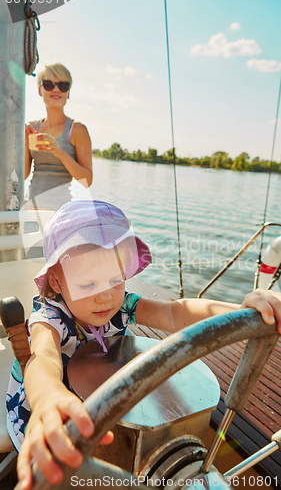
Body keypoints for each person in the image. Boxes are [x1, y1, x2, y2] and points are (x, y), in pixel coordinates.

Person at [6, 200, 281, 490]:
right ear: (57, 283)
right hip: (50, 413)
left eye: (115, 279)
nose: (105, 297)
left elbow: (176, 312)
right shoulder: (49, 318)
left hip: (102, 404)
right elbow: (43, 358)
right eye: (88, 285)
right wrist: (48, 399)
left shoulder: (123, 304)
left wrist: (241, 311)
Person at [25, 63, 93, 210]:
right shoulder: (32, 128)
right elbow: (23, 175)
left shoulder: (77, 130)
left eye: (63, 86)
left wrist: (60, 152)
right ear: (40, 90)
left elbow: (86, 181)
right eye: (49, 84)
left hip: (59, 214)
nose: (56, 89)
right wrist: (23, 142)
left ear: (68, 93)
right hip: (29, 210)